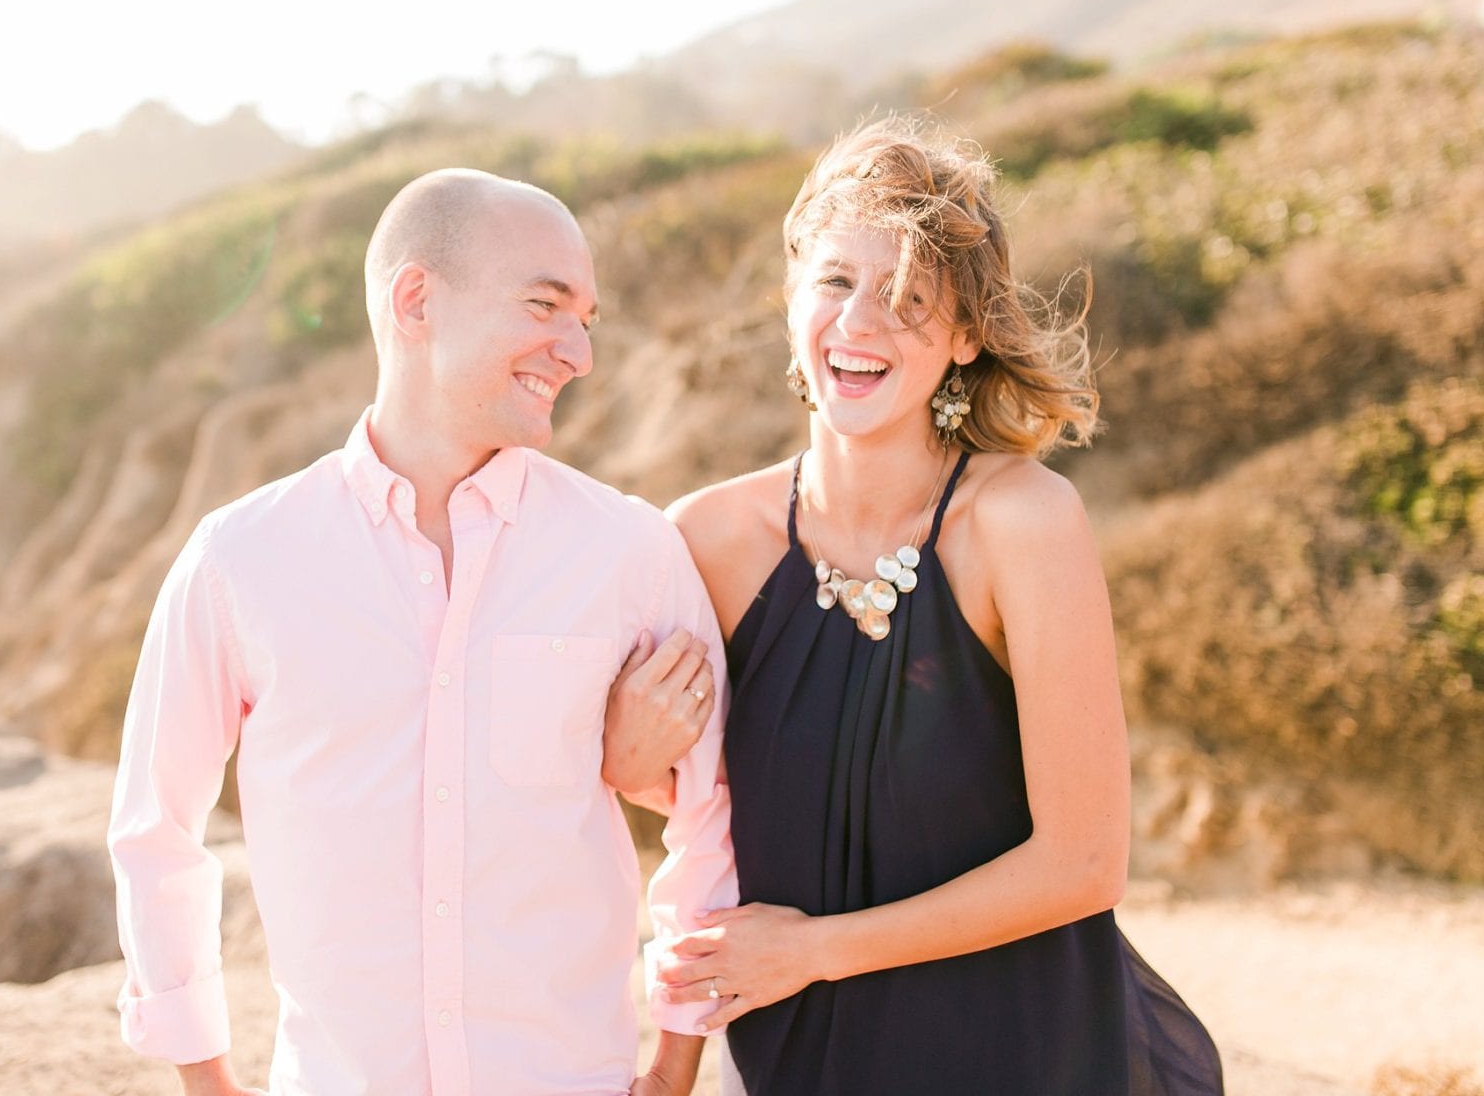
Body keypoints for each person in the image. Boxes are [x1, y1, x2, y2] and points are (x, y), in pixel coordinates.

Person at [107, 169, 738, 1096]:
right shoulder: (242, 559)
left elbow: (712, 813)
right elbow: (155, 825)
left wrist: (676, 1059)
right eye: (544, 306)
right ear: (416, 301)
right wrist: (205, 1079)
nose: (578, 352)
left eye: (587, 319)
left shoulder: (631, 553)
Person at [655, 118, 1222, 1094]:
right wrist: (667, 1067)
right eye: (835, 281)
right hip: (806, 1061)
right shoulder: (704, 540)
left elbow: (1084, 863)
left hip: (1027, 1051)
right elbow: (693, 815)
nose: (861, 321)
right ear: (792, 297)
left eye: (909, 297)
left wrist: (814, 951)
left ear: (965, 338)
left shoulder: (1023, 523)